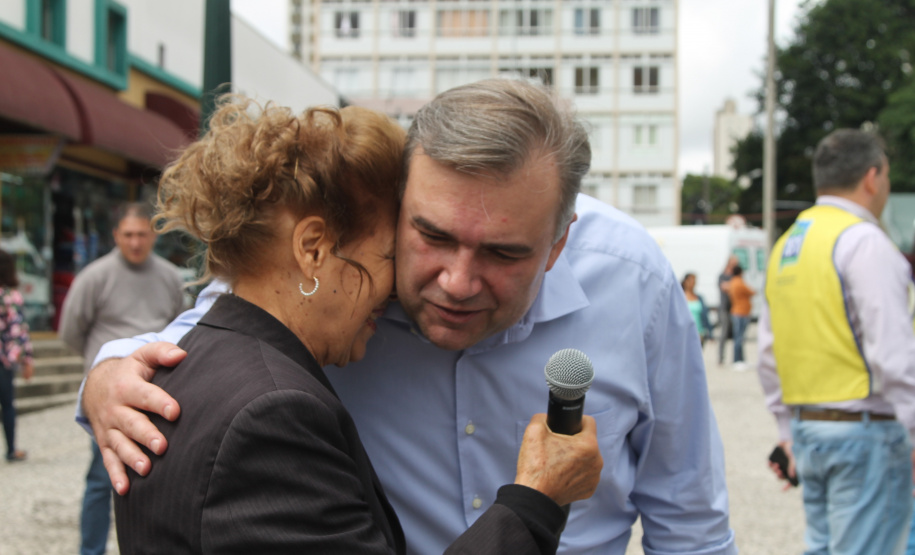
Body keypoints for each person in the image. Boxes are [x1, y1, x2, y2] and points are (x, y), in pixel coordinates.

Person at [79, 79, 737, 554]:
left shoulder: (636, 281)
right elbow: (222, 332)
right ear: (398, 203)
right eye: (430, 236)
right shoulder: (345, 284)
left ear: (559, 240)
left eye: (503, 252)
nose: (455, 280)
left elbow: (689, 520)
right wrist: (105, 374)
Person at [758, 128, 915, 554]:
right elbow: (893, 354)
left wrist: (786, 429)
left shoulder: (788, 244)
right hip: (868, 432)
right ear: (872, 177)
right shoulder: (865, 242)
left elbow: (769, 351)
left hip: (810, 430)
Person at [58, 202, 185, 555]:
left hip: (159, 393)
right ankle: (92, 550)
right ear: (116, 236)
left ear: (153, 235)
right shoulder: (94, 277)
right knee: (102, 480)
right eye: (127, 235)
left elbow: (182, 330)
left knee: (156, 480)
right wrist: (103, 365)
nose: (134, 242)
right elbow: (70, 331)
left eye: (141, 234)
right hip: (110, 395)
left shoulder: (171, 278)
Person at [0, 249, 33, 462]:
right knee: (7, 404)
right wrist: (26, 359)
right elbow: (18, 331)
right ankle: (11, 449)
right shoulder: (12, 296)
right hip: (4, 361)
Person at [727, 265, 754, 372]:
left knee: (739, 337)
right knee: (739, 338)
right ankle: (737, 360)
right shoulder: (739, 282)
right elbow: (751, 292)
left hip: (737, 311)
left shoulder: (732, 282)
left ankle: (741, 359)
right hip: (741, 312)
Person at [717, 255, 738, 365]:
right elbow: (724, 287)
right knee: (724, 334)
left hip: (735, 308)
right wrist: (733, 286)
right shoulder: (723, 275)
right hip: (725, 308)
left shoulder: (735, 275)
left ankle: (736, 359)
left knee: (736, 334)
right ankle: (721, 357)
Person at [682, 272, 712, 348]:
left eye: (694, 281)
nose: (693, 283)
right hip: (685, 334)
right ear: (686, 282)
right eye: (691, 281)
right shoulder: (681, 298)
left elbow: (705, 316)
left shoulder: (699, 298)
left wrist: (710, 332)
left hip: (699, 333)